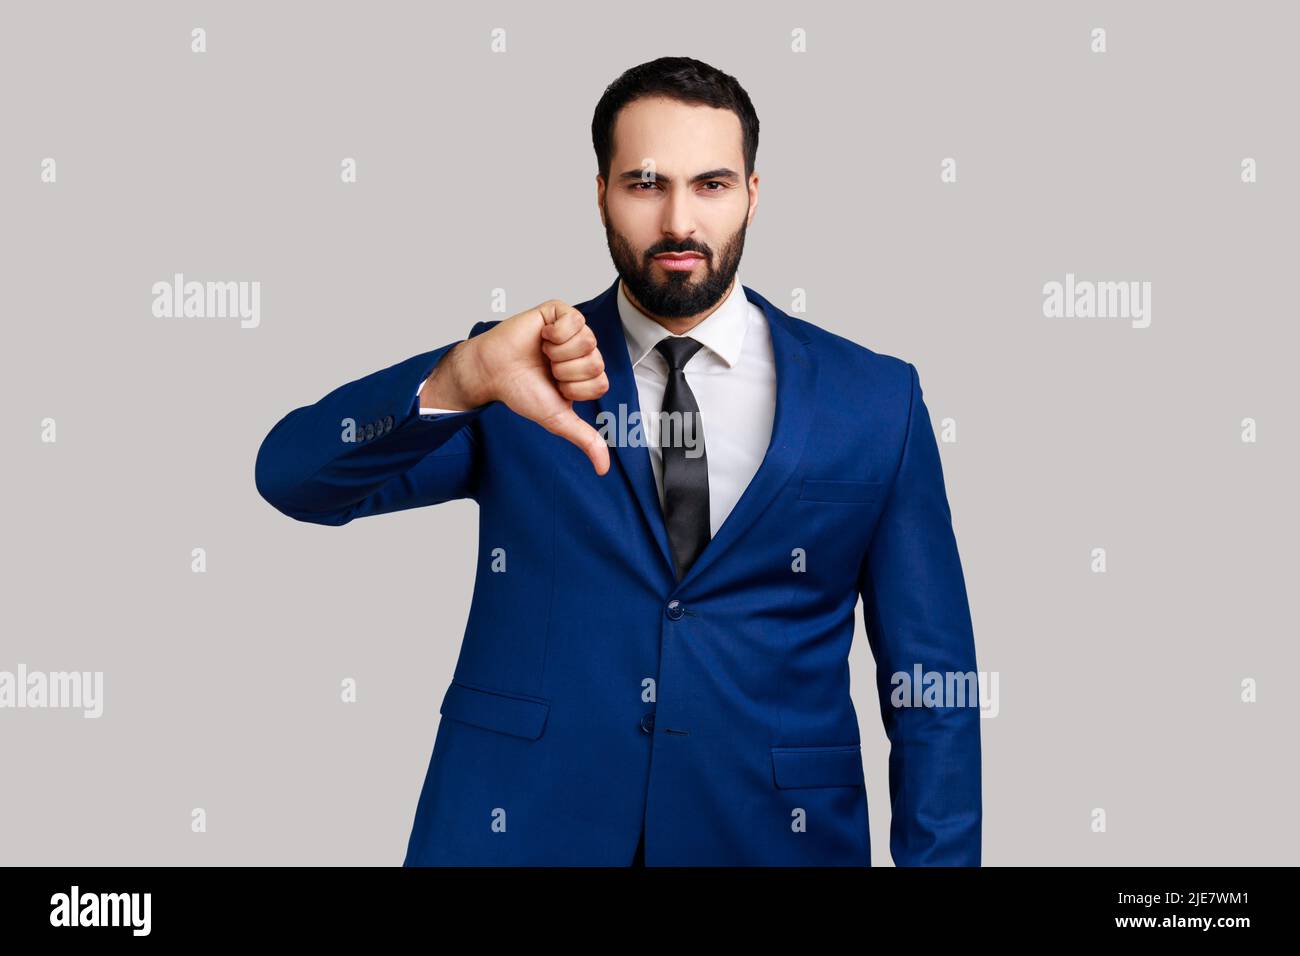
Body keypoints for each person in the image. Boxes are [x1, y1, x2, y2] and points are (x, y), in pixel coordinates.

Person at [255, 56, 981, 867]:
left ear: (752, 192)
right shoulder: (516, 372)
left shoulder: (875, 399)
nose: (678, 221)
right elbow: (294, 479)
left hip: (770, 840)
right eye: (645, 184)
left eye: (710, 185)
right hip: (520, 832)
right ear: (600, 191)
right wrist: (458, 374)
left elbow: (933, 690)